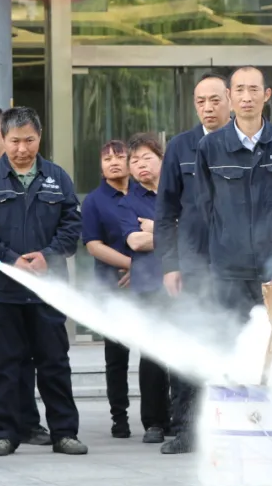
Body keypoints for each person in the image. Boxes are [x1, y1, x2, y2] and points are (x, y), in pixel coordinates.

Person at [0, 107, 86, 457]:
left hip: (48, 289)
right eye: (15, 141)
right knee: (4, 364)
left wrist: (47, 256)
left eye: (29, 140)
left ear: (40, 137)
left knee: (55, 363)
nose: (22, 149)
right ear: (3, 139)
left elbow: (71, 226)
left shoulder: (57, 177)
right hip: (0, 290)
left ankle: (64, 432)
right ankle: (5, 433)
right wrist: (10, 260)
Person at [154, 73, 231, 455]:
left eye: (215, 100)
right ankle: (186, 429)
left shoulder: (245, 146)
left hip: (237, 265)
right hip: (193, 264)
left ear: (230, 101)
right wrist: (170, 264)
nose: (208, 107)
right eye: (201, 101)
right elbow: (166, 211)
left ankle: (232, 425)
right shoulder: (181, 147)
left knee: (232, 342)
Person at [194, 66, 272, 321]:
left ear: (266, 94)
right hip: (229, 269)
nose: (247, 97)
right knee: (234, 340)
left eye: (254, 89)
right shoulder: (210, 146)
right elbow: (204, 205)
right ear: (229, 96)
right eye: (240, 90)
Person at [116, 133, 172, 445]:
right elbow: (135, 241)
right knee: (151, 356)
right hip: (148, 288)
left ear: (162, 160)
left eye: (146, 158)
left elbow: (197, 231)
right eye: (134, 161)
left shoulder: (178, 193)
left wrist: (157, 230)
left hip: (180, 286)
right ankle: (154, 422)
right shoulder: (129, 202)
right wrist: (172, 230)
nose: (140, 165)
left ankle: (183, 417)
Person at [80, 140, 133, 439]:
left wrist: (144, 270)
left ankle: (159, 417)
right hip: (112, 287)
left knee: (154, 355)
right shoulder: (95, 201)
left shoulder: (144, 194)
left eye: (120, 156)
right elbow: (93, 245)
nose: (114, 162)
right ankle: (120, 417)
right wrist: (131, 264)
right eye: (107, 158)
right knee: (117, 357)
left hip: (148, 286)